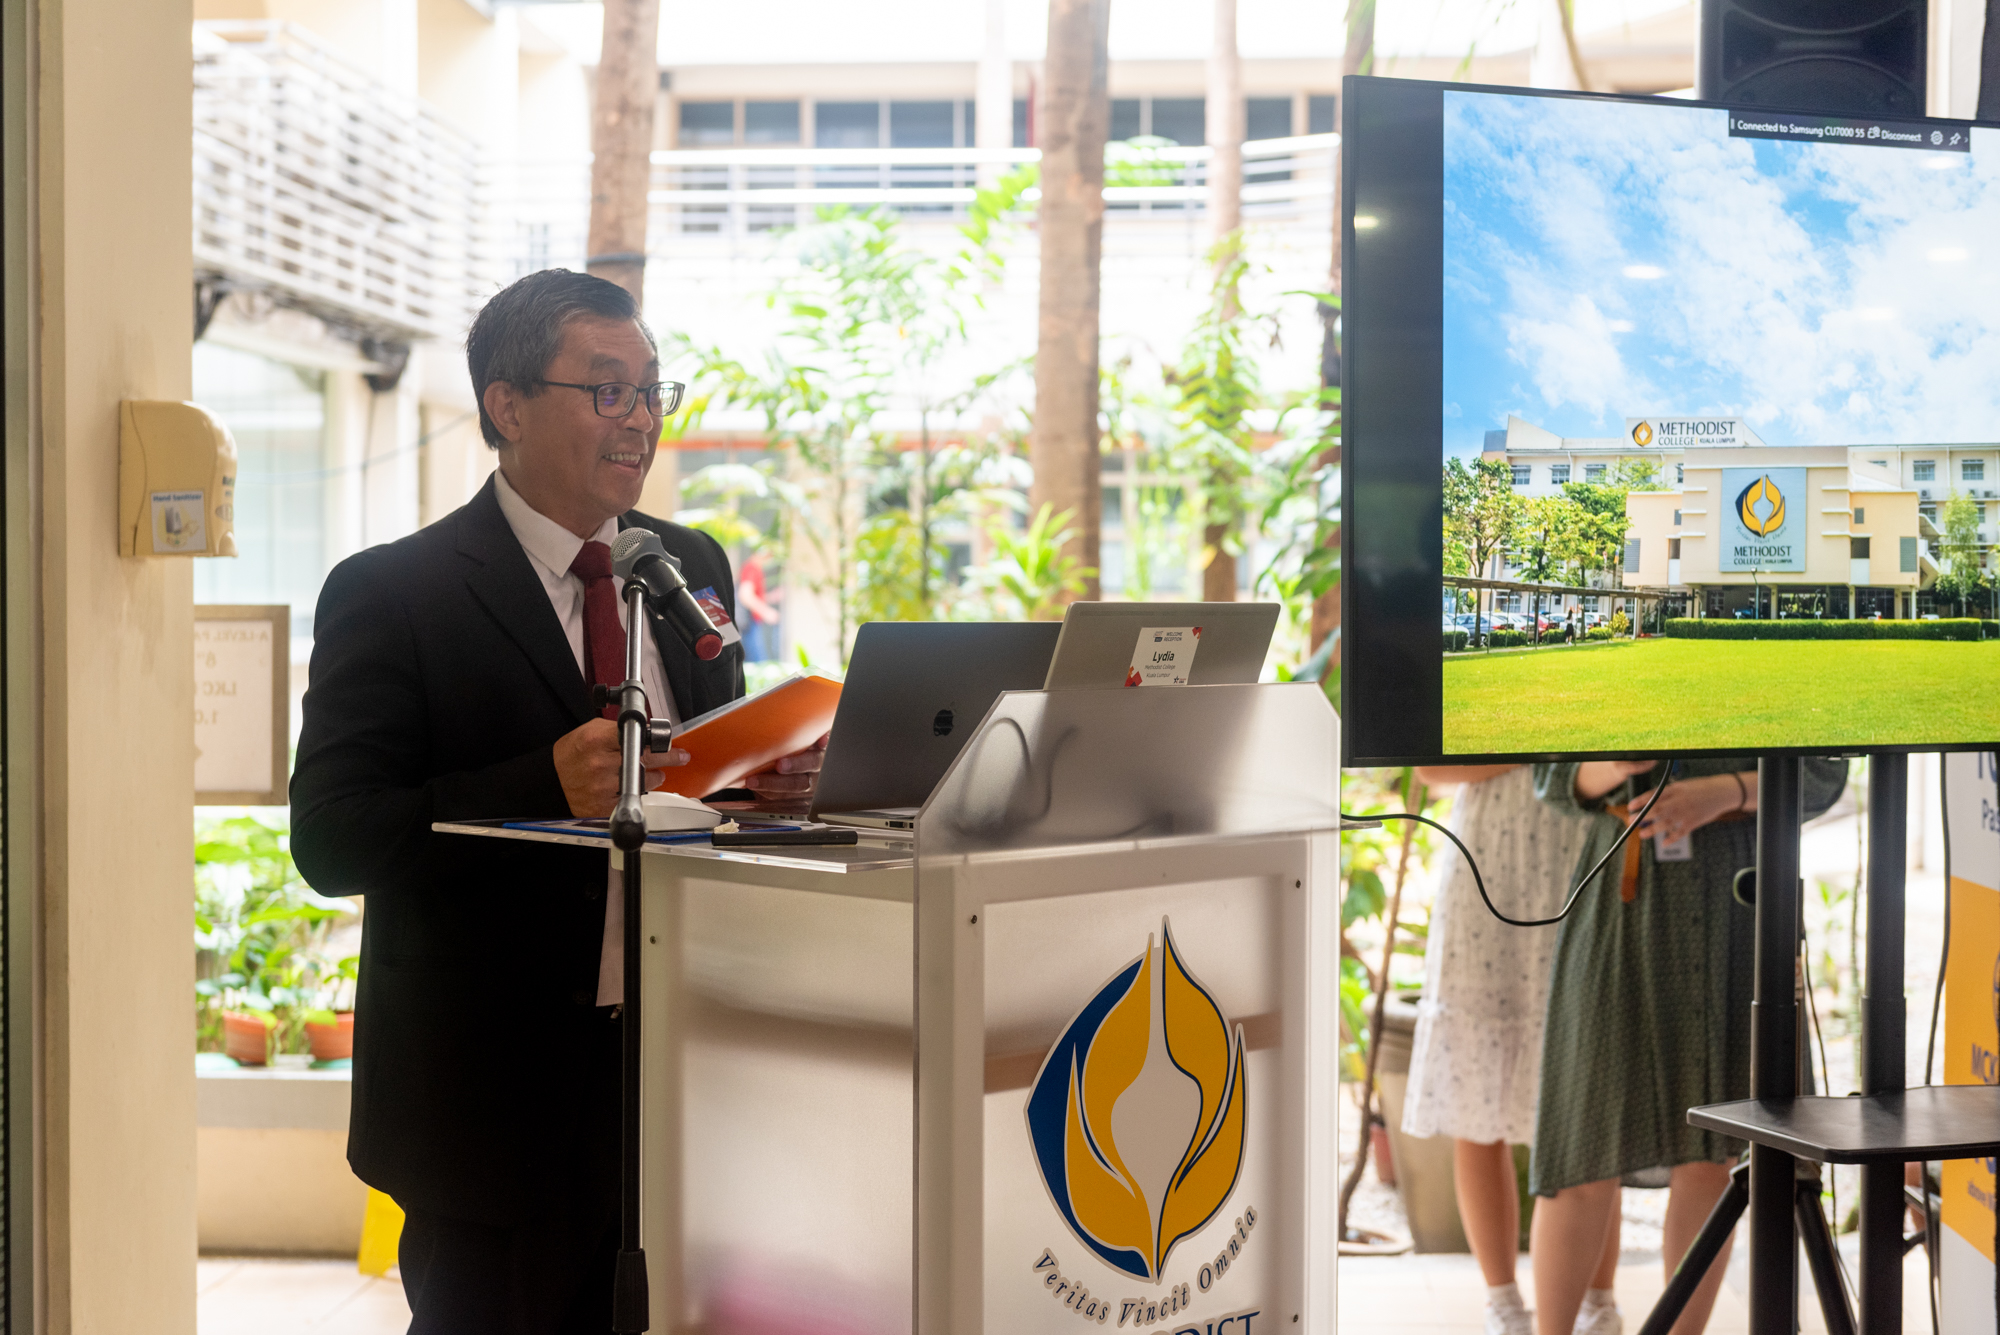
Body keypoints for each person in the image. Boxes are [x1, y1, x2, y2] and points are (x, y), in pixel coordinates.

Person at [290, 269, 825, 1334]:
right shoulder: (394, 593)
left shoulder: (687, 564)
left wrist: (765, 786)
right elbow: (334, 838)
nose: (640, 420)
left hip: (684, 1077)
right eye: (607, 389)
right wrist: (541, 782)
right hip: (491, 1110)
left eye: (651, 390)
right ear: (507, 404)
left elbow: (694, 788)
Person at [1527, 757, 1846, 1335]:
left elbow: (1824, 776)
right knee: (1580, 1141)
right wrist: (1612, 764)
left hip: (1741, 898)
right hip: (1621, 899)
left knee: (1714, 1150)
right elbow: (1550, 777)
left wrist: (1723, 793)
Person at [1404, 765, 1617, 1335]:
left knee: (1593, 1107)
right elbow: (1432, 767)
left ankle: (1600, 1300)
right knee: (1478, 1098)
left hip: (1585, 853)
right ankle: (1502, 1302)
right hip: (1488, 865)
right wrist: (1549, 744)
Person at [736, 548, 780, 662]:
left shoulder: (754, 568)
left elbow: (753, 595)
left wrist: (771, 597)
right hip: (749, 623)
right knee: (757, 663)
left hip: (752, 622)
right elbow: (745, 595)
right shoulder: (752, 568)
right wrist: (766, 612)